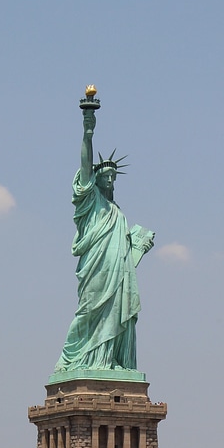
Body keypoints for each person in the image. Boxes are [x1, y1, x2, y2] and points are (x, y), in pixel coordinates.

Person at [54, 105, 154, 374]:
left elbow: (125, 252)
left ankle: (110, 361)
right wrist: (88, 132)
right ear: (95, 180)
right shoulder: (89, 202)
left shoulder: (117, 212)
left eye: (113, 176)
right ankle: (74, 360)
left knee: (115, 311)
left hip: (118, 272)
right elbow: (85, 167)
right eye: (104, 176)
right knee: (89, 310)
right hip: (96, 268)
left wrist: (139, 246)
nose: (110, 180)